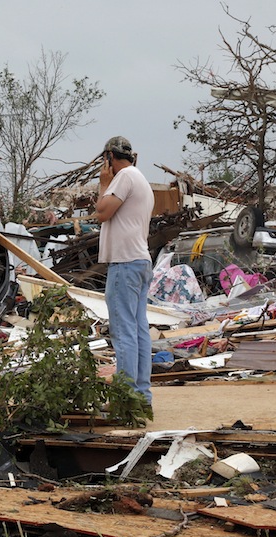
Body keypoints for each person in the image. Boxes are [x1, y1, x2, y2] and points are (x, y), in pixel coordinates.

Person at [94, 136, 155, 409]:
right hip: (140, 261)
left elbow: (102, 212)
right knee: (139, 331)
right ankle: (141, 395)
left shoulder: (123, 177)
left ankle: (125, 397)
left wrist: (104, 184)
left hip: (125, 262)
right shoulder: (140, 178)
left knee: (124, 332)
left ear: (109, 157)